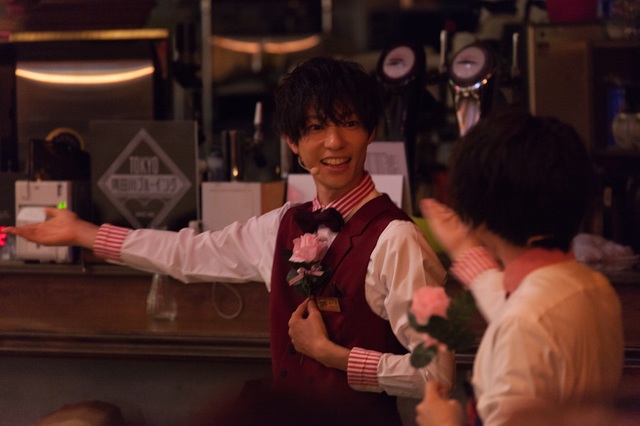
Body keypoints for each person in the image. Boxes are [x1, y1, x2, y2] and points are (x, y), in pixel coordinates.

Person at [7, 56, 454, 424]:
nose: (334, 142)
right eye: (316, 128)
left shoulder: (396, 239)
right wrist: (84, 232)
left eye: (349, 123)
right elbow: (186, 253)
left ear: (371, 132)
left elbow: (436, 370)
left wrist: (332, 355)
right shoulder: (281, 225)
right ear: (292, 142)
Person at [415, 107, 624, 426]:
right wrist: (463, 247)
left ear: (480, 210)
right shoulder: (594, 286)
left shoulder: (524, 322)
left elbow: (523, 318)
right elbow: (518, 303)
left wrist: (443, 422)